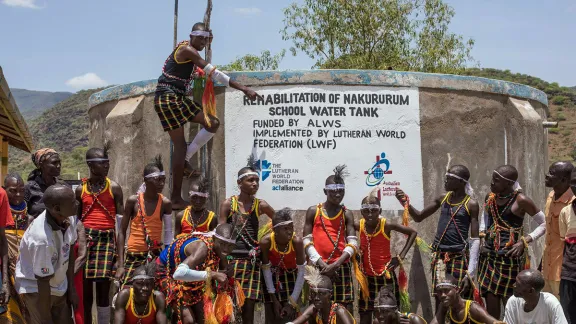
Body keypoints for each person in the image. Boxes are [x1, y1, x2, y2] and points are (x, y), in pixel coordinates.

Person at [154, 22, 260, 210]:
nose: (203, 42)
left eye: (206, 39)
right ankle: (176, 197)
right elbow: (214, 73)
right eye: (201, 38)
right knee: (178, 145)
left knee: (212, 123)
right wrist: (244, 88)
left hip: (176, 98)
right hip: (168, 98)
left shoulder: (189, 51)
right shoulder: (188, 50)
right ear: (192, 35)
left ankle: (185, 159)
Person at [395, 165, 480, 300]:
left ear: (461, 182)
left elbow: (475, 239)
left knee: (458, 299)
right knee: (440, 299)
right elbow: (418, 217)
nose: (445, 181)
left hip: (458, 257)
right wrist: (405, 203)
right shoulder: (443, 198)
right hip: (440, 257)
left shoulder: (471, 204)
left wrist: (470, 272)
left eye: (449, 178)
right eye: (446, 178)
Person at [477, 165, 546, 319]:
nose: (492, 183)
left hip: (509, 259)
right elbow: (485, 218)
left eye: (496, 180)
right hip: (489, 257)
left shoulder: (521, 200)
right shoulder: (490, 198)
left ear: (509, 183)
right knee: (491, 302)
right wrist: (482, 237)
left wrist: (525, 241)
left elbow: (544, 224)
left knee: (511, 302)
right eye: (493, 179)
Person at [218, 156, 275, 324]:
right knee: (231, 308)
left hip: (251, 263)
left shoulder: (260, 204)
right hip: (231, 261)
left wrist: (265, 240)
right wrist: (223, 264)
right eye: (251, 180)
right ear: (240, 183)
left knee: (248, 307)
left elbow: (278, 222)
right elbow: (220, 235)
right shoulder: (228, 204)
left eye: (257, 180)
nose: (255, 184)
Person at [15, 184, 79, 324]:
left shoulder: (69, 217)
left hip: (59, 284)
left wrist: (71, 289)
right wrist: (45, 318)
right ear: (57, 208)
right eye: (73, 201)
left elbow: (70, 251)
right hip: (37, 289)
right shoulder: (41, 238)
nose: (77, 203)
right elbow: (42, 281)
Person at [76, 146, 124, 324]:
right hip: (86, 243)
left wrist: (120, 260)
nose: (107, 166)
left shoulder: (114, 188)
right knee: (86, 295)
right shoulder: (80, 190)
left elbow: (120, 228)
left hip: (107, 241)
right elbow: (77, 222)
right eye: (102, 163)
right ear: (91, 165)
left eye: (107, 162)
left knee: (104, 295)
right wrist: (80, 244)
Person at [155, 223, 238, 324]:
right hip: (166, 270)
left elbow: (224, 273)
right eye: (223, 244)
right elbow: (179, 273)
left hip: (190, 273)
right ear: (214, 238)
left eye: (230, 246)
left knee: (203, 318)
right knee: (188, 320)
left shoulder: (221, 250)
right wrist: (214, 275)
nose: (226, 249)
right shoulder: (203, 248)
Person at [303, 165, 359, 313]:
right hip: (318, 267)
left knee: (344, 307)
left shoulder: (347, 214)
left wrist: (335, 265)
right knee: (317, 307)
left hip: (340, 268)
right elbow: (306, 242)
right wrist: (322, 264)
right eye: (333, 191)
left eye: (341, 190)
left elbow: (353, 243)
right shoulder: (314, 211)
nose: (337, 194)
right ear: (325, 191)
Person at [355, 195, 417, 324]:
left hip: (386, 277)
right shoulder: (359, 225)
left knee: (390, 315)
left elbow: (413, 233)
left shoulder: (386, 225)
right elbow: (344, 229)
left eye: (374, 210)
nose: (370, 214)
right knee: (365, 314)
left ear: (380, 211)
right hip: (366, 279)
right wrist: (354, 252)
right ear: (361, 212)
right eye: (366, 210)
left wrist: (400, 257)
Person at [116, 156, 173, 286]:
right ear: (146, 180)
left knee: (157, 292)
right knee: (128, 291)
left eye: (163, 180)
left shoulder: (165, 203)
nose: (161, 184)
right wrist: (120, 265)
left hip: (155, 255)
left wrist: (168, 259)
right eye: (158, 180)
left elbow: (168, 234)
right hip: (133, 254)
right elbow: (121, 231)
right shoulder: (133, 201)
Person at [261, 208, 306, 324]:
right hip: (271, 277)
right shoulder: (266, 242)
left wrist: (291, 302)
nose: (290, 231)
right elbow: (266, 270)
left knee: (290, 316)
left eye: (291, 227)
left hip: (292, 277)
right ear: (275, 230)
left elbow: (302, 272)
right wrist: (274, 300)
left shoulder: (297, 242)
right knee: (272, 315)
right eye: (285, 228)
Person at [542, 161, 574, 299]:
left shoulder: (572, 203)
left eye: (551, 173)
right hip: (547, 269)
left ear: (564, 179)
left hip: (563, 271)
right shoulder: (550, 196)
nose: (547, 176)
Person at [431, 263, 500, 324]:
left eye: (447, 291)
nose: (443, 295)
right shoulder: (445, 307)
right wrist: (441, 309)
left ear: (457, 290)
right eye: (439, 292)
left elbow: (494, 322)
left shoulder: (472, 308)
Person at [287, 266, 355, 324]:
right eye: (313, 293)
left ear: (330, 295)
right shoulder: (314, 308)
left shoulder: (340, 312)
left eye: (321, 294)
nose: (316, 298)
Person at [1, 173, 25, 323]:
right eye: (13, 190)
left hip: (23, 270)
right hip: (5, 266)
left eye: (21, 190)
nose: (18, 194)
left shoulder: (28, 216)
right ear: (5, 189)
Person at [25, 148, 65, 218]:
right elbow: (22, 212)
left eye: (59, 162)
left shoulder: (62, 187)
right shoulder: (29, 188)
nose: (58, 166)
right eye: (54, 163)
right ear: (42, 165)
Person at [558, 167, 576, 322]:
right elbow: (565, 242)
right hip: (569, 273)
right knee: (568, 316)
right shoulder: (565, 212)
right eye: (573, 183)